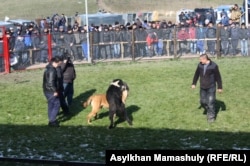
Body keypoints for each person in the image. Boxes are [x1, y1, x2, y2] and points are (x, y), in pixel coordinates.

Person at [191, 54, 223, 123]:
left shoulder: (214, 66)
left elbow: (218, 77)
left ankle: (211, 117)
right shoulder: (200, 65)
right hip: (202, 87)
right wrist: (194, 83)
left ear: (205, 59)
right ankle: (209, 109)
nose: (200, 61)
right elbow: (196, 74)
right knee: (203, 102)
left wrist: (220, 87)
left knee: (210, 102)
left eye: (201, 60)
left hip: (211, 87)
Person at [42, 56, 61, 127]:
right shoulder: (52, 70)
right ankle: (52, 121)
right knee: (57, 104)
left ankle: (51, 119)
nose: (58, 65)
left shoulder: (48, 68)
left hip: (46, 90)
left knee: (51, 104)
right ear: (54, 62)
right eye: (58, 63)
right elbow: (51, 82)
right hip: (51, 91)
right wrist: (55, 91)